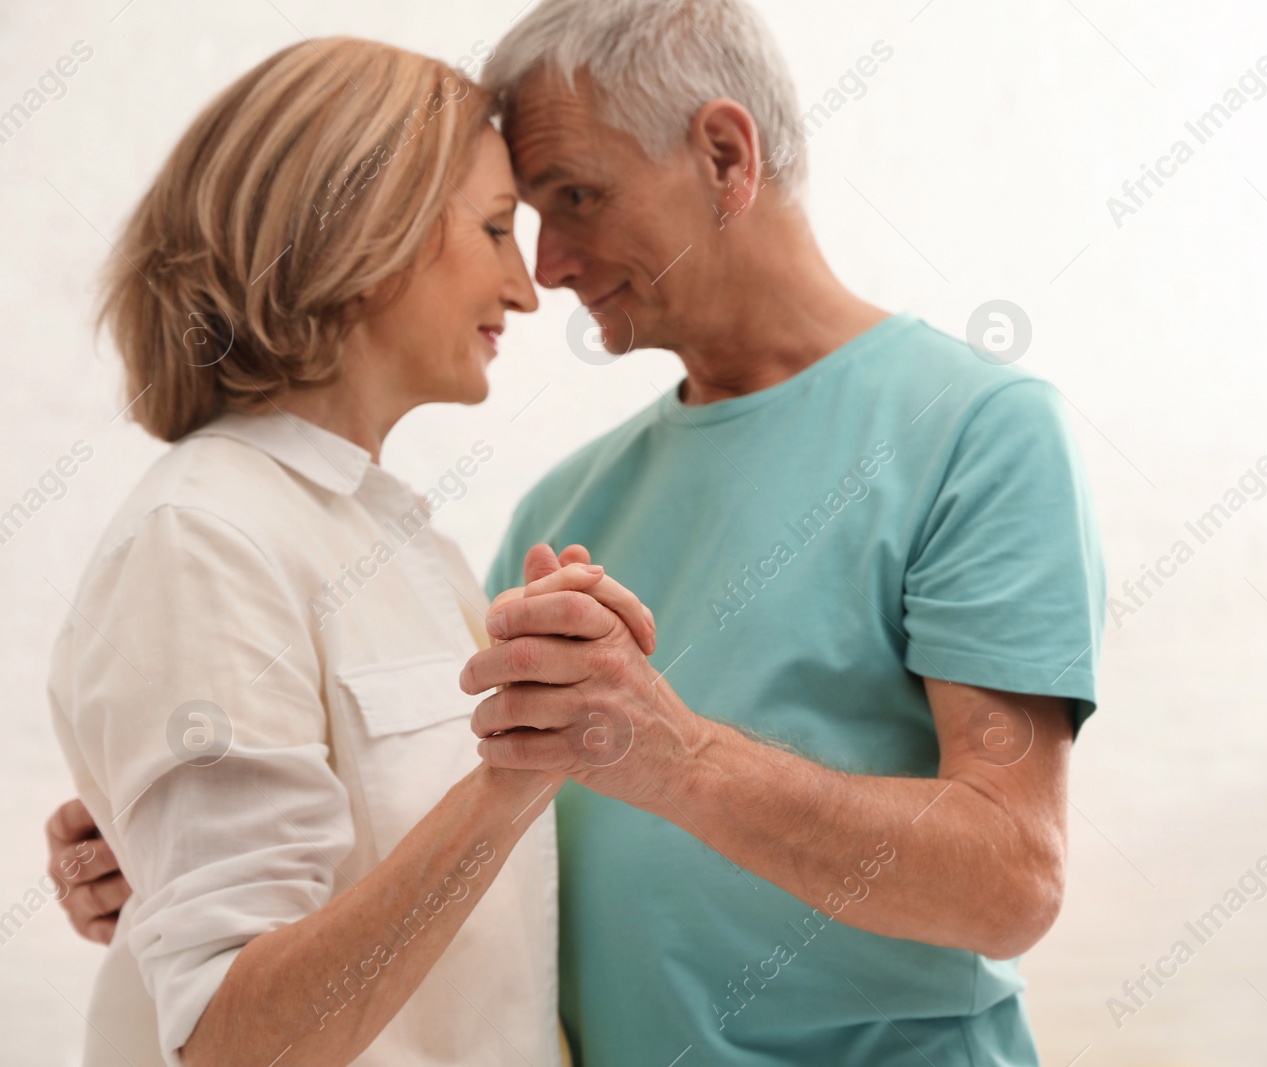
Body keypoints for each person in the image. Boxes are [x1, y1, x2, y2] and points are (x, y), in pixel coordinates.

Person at [52, 1, 1106, 1063]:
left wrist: (677, 754)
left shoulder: (976, 433)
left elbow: (1013, 879)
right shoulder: (558, 517)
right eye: (511, 218)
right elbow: (472, 821)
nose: (544, 269)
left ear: (724, 155)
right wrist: (175, 829)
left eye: (574, 197)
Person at [45, 36, 651, 1067]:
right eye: (498, 228)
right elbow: (231, 1038)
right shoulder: (203, 541)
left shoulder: (399, 537)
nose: (526, 287)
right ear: (366, 228)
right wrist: (510, 778)